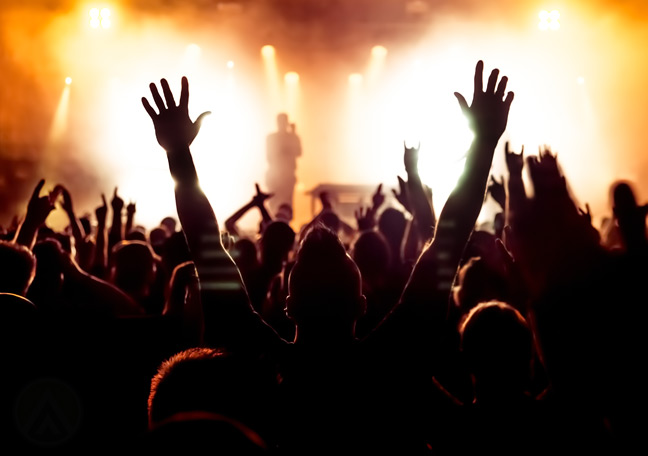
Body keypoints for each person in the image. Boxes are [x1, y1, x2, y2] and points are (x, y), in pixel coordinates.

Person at [265, 113, 301, 218]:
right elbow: (269, 156)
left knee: (287, 202)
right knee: (273, 201)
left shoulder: (293, 136)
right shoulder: (271, 138)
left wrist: (293, 135)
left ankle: (285, 222)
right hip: (275, 175)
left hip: (288, 175)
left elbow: (299, 152)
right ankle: (272, 221)